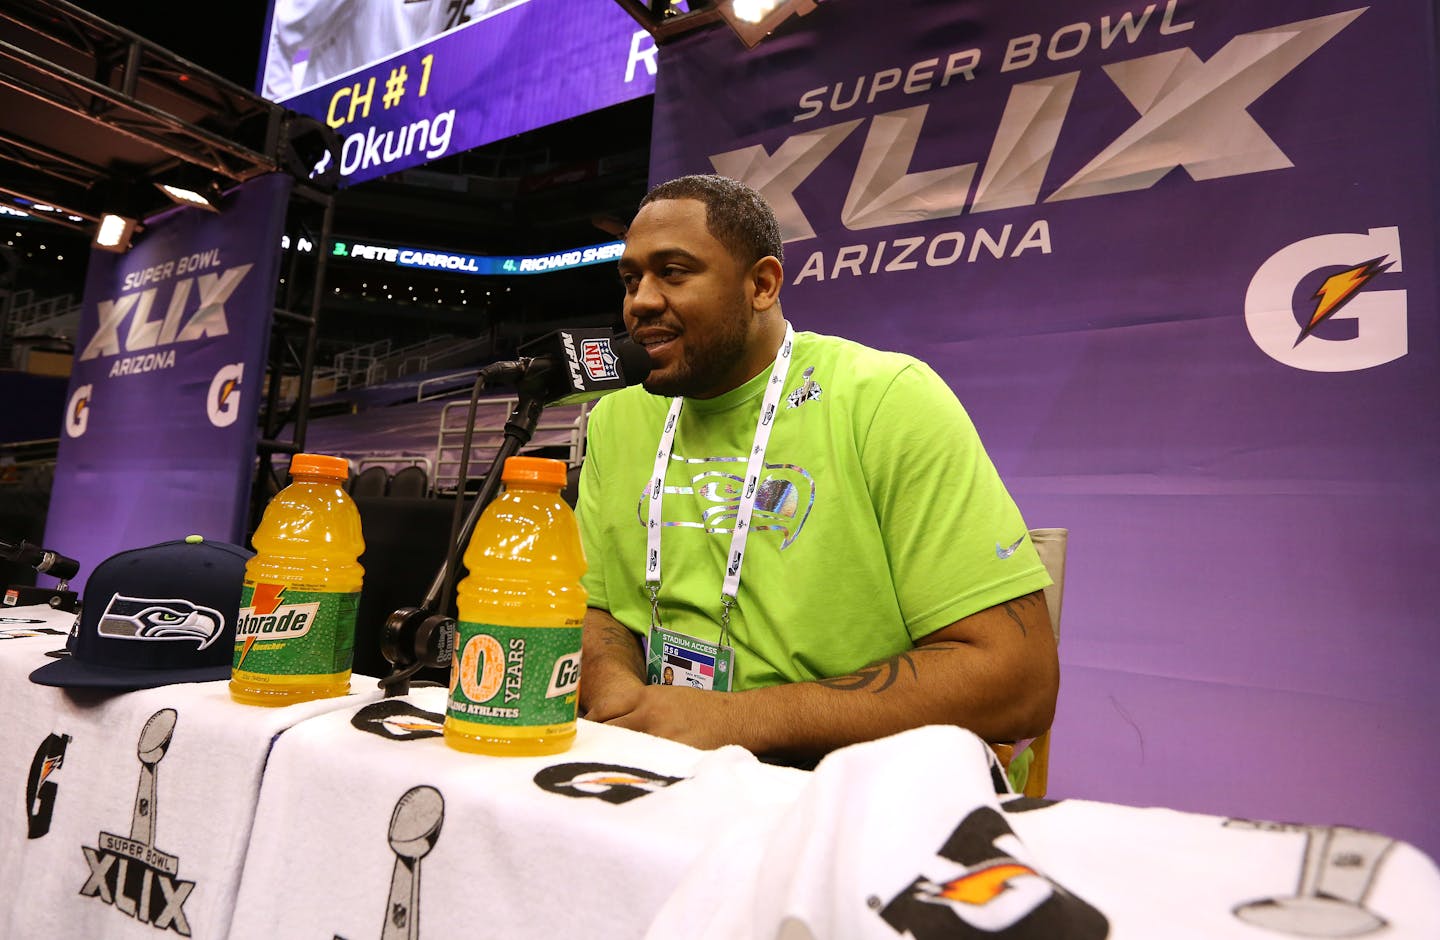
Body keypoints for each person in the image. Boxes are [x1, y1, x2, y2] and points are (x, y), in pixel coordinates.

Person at [575, 174, 1057, 765]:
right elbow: (592, 603)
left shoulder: (887, 399)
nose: (641, 300)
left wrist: (735, 721)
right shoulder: (616, 415)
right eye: (631, 279)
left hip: (850, 786)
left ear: (762, 284)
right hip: (665, 758)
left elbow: (1018, 681)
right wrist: (618, 693)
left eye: (673, 272)